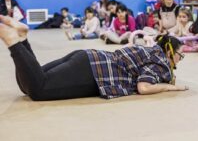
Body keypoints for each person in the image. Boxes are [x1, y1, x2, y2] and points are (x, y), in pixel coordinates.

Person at [0, 15, 188, 100]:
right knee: (38, 89)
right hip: (95, 72)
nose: (180, 59)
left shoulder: (150, 49)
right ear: (170, 52)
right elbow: (144, 87)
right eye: (180, 55)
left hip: (86, 57)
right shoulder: (161, 62)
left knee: (30, 83)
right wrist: (171, 87)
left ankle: (23, 39)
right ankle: (15, 43)